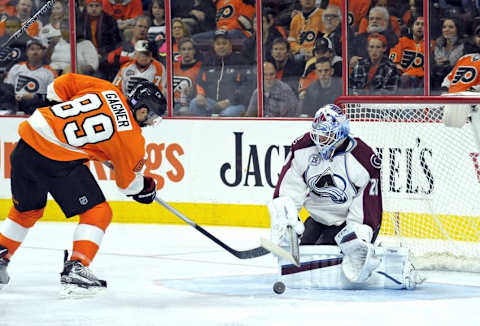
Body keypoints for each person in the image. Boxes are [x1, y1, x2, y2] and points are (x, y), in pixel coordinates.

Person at [0, 73, 166, 294]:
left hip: (25, 145)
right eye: (152, 118)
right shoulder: (131, 137)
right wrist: (146, 188)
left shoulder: (106, 88)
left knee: (27, 211)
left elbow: (60, 84)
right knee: (98, 213)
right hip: (55, 158)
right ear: (143, 110)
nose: (151, 123)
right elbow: (128, 185)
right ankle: (78, 266)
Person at [268, 104, 422, 289]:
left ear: (341, 133)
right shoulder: (303, 148)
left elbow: (367, 209)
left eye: (326, 135)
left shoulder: (365, 159)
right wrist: (286, 219)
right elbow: (289, 189)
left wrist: (358, 239)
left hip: (348, 223)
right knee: (303, 255)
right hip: (317, 218)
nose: (320, 140)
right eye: (317, 134)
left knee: (339, 263)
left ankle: (387, 267)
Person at [190, 30, 253, 117]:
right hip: (211, 102)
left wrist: (229, 101)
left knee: (226, 115)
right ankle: (201, 130)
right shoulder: (208, 61)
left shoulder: (241, 61)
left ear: (230, 45)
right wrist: (200, 95)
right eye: (218, 44)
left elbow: (247, 87)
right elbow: (200, 81)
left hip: (234, 104)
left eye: (224, 43)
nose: (221, 46)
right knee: (194, 104)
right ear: (214, 46)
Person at [4, 37, 57, 115]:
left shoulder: (50, 72)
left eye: (38, 49)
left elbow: (53, 97)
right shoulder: (16, 68)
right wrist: (13, 97)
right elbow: (7, 89)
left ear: (43, 52)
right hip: (16, 107)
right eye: (32, 49)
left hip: (38, 109)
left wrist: (35, 97)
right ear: (27, 52)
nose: (35, 52)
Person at [389, 16, 424, 94]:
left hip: (421, 78)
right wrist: (403, 74)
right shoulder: (401, 41)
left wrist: (410, 73)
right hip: (402, 78)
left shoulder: (430, 44)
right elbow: (394, 63)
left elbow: (428, 68)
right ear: (412, 27)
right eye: (417, 24)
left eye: (423, 25)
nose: (420, 27)